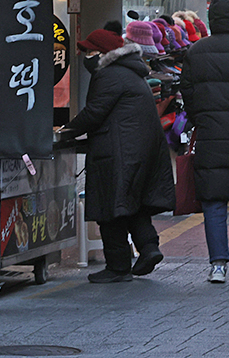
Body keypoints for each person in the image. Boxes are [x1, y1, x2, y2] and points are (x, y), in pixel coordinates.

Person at [62, 29, 175, 282]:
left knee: (110, 208)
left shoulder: (109, 75)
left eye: (90, 51)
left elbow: (94, 112)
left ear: (103, 53)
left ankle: (118, 266)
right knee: (132, 203)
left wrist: (66, 131)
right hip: (140, 150)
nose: (87, 56)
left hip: (117, 152)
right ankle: (149, 248)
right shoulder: (131, 72)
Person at [179, 0, 229, 283]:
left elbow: (187, 92)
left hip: (212, 135)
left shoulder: (197, 51)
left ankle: (218, 265)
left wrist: (201, 117)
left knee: (213, 201)